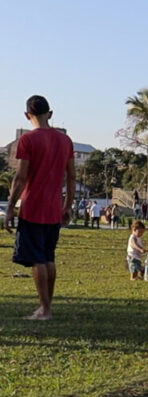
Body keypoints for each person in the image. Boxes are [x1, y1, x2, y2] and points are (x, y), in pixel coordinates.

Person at [3, 96, 75, 320]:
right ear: (50, 114)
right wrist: (67, 206)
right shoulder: (65, 141)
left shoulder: (27, 140)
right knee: (48, 257)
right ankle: (46, 306)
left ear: (27, 116)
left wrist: (10, 207)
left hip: (33, 207)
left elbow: (20, 177)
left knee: (37, 259)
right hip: (54, 208)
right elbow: (71, 177)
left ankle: (44, 309)